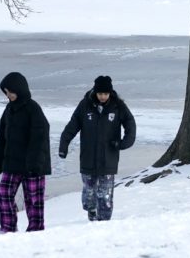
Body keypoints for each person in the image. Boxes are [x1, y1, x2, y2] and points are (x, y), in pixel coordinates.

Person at [58, 75, 136, 221]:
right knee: (90, 192)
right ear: (95, 92)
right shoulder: (85, 105)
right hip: (88, 158)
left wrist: (122, 143)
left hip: (109, 158)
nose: (103, 97)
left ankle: (104, 223)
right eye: (100, 93)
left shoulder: (118, 106)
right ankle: (91, 211)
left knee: (105, 194)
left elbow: (130, 124)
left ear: (110, 93)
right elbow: (72, 125)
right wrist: (64, 145)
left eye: (105, 94)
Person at [0, 72, 51, 232]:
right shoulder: (9, 109)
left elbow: (40, 138)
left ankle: (35, 230)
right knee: (3, 193)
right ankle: (8, 228)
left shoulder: (33, 109)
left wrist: (35, 163)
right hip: (12, 163)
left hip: (33, 164)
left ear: (20, 89)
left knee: (33, 200)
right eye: (6, 92)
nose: (8, 95)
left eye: (10, 91)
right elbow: (1, 137)